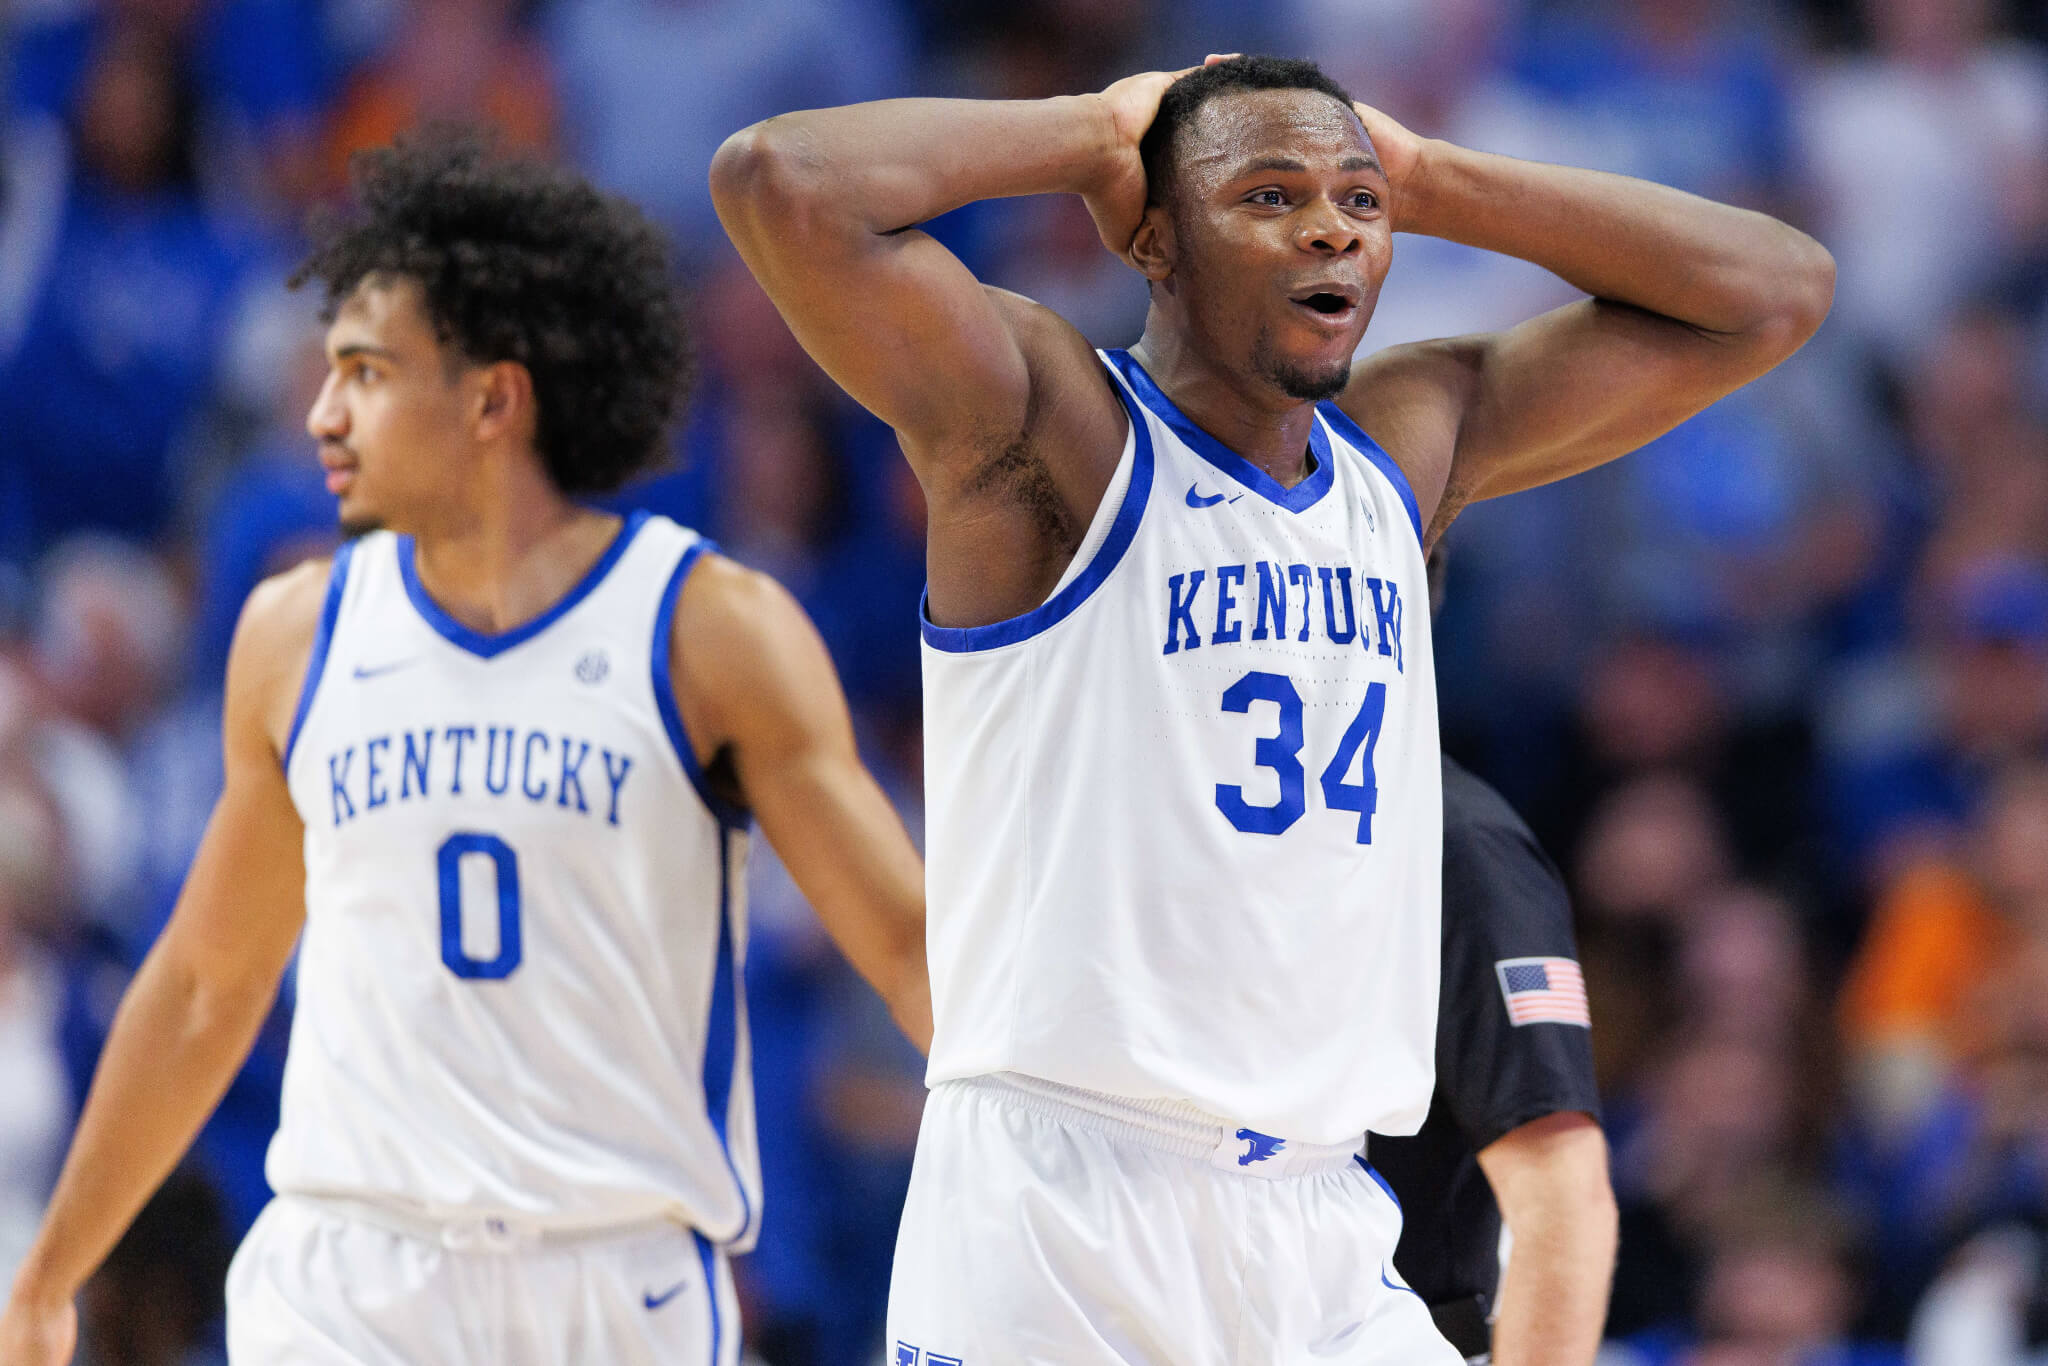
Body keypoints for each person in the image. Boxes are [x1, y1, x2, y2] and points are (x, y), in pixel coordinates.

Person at [713, 52, 1831, 1364]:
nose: (1327, 228)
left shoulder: (1406, 446)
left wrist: (1427, 176)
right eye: (1268, 194)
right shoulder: (1055, 429)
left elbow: (1773, 294)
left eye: (1354, 206)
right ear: (1155, 238)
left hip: (1320, 1213)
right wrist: (1094, 131)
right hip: (1065, 1203)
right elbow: (779, 183)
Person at [0, 129, 929, 1366]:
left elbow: (911, 950)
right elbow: (204, 986)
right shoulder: (298, 634)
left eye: (366, 373)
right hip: (352, 1275)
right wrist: (49, 1272)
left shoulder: (711, 630)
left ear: (493, 398)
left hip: (612, 1281)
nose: (323, 414)